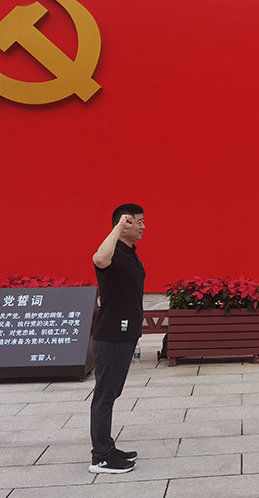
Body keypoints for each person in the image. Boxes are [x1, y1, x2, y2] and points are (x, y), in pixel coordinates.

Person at [89, 203, 146, 474]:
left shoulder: (129, 252)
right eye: (138, 221)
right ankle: (100, 457)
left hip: (125, 335)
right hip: (111, 336)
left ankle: (108, 447)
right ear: (124, 225)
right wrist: (117, 228)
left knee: (112, 393)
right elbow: (99, 260)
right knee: (105, 395)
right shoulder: (111, 252)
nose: (143, 226)